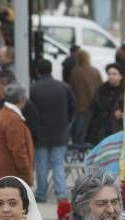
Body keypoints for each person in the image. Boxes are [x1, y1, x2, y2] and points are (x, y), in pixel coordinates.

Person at [30, 59, 75, 203]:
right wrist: (66, 122)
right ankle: (61, 193)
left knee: (41, 164)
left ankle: (41, 193)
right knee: (58, 163)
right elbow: (73, 107)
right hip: (60, 131)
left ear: (37, 71)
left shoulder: (33, 88)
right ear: (51, 70)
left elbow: (29, 111)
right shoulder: (64, 87)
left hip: (40, 133)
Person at [0, 83, 34, 185]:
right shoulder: (13, 119)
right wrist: (26, 169)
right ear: (21, 100)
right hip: (12, 174)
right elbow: (18, 149)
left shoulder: (1, 114)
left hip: (2, 172)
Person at [68, 50, 102, 145]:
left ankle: (78, 151)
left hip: (80, 105)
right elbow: (101, 87)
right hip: (93, 106)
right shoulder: (95, 71)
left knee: (78, 132)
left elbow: (71, 89)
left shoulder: (75, 72)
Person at [86, 63, 124, 146]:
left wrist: (122, 113)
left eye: (114, 74)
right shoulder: (101, 90)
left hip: (118, 130)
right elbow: (93, 109)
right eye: (109, 74)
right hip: (102, 129)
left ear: (121, 76)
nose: (111, 76)